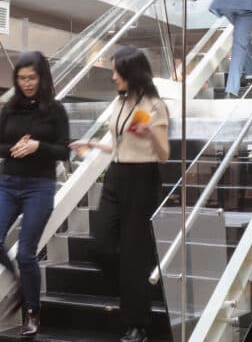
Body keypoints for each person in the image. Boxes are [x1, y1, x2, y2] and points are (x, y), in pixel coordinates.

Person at [72, 46, 169, 342]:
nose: (113, 76)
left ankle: (137, 324)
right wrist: (91, 145)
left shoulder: (154, 105)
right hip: (116, 175)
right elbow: (118, 145)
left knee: (132, 256)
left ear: (132, 72)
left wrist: (150, 131)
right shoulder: (120, 103)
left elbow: (164, 154)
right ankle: (135, 290)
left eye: (117, 71)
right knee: (100, 246)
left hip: (143, 179)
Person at [0, 51, 70, 338]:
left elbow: (65, 150)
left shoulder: (55, 110)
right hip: (9, 183)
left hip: (39, 186)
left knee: (26, 253)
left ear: (42, 77)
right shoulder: (10, 108)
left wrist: (37, 146)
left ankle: (33, 310)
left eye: (31, 78)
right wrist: (13, 148)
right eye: (21, 78)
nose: (27, 83)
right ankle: (19, 283)